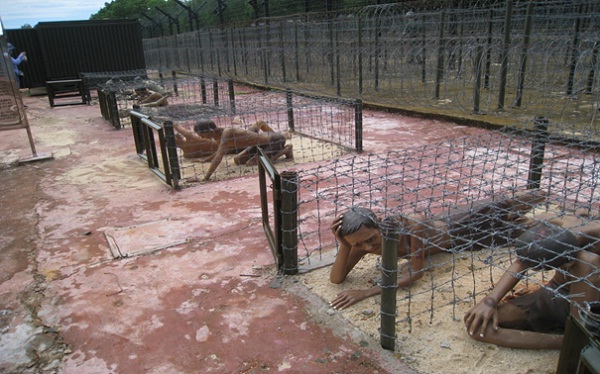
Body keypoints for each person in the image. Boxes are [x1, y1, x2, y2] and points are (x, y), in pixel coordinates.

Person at [328, 190, 546, 310]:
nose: (367, 247)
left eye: (371, 239)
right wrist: (345, 246)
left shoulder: (410, 225)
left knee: (525, 199)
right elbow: (337, 279)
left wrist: (365, 293)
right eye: (358, 244)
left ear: (379, 224)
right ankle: (516, 220)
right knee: (530, 232)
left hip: (460, 222)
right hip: (462, 242)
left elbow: (416, 272)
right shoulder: (359, 244)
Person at [463, 214, 600, 349]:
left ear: (567, 263)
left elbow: (579, 327)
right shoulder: (557, 225)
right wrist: (490, 301)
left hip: (590, 303)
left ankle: (567, 341)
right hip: (556, 293)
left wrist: (575, 338)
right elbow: (523, 260)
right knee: (478, 325)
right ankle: (561, 341)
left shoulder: (587, 262)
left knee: (579, 339)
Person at [195, 119, 294, 180]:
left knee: (251, 163)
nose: (202, 138)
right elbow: (219, 152)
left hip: (274, 140)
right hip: (259, 144)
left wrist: (205, 178)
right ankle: (277, 151)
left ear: (211, 131)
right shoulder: (217, 136)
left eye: (202, 135)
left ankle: (285, 150)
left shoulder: (227, 133)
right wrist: (206, 159)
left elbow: (219, 157)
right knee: (238, 160)